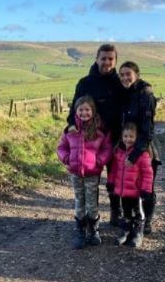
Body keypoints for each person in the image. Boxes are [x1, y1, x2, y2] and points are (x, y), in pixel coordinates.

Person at [66, 44, 124, 226]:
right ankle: (92, 218)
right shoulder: (85, 83)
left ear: (115, 61)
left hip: (116, 138)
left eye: (110, 59)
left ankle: (116, 212)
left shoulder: (120, 83)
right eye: (103, 58)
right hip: (91, 140)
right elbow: (74, 109)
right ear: (96, 59)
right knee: (92, 181)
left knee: (115, 179)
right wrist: (70, 126)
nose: (106, 62)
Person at [57, 95, 112, 250]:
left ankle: (93, 229)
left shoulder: (99, 130)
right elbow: (61, 147)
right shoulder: (70, 130)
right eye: (81, 110)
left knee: (92, 203)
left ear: (93, 111)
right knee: (79, 201)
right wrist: (66, 158)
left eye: (87, 110)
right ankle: (80, 230)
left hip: (92, 173)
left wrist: (100, 161)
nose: (84, 113)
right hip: (75, 173)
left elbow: (107, 148)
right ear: (76, 111)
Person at [115, 60, 161, 234]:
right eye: (122, 75)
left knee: (146, 187)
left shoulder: (146, 95)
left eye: (128, 74)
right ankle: (132, 220)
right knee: (129, 187)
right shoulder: (124, 94)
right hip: (126, 145)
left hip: (144, 147)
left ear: (137, 74)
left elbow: (147, 129)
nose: (125, 78)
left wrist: (135, 154)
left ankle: (147, 221)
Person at [107, 122, 153, 248]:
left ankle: (138, 232)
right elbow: (114, 170)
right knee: (126, 211)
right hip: (123, 191)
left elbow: (147, 174)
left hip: (136, 191)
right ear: (122, 137)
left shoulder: (142, 154)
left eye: (131, 137)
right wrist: (111, 182)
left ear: (137, 137)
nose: (128, 139)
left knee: (138, 212)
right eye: (125, 136)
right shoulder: (119, 152)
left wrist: (145, 189)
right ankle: (126, 230)